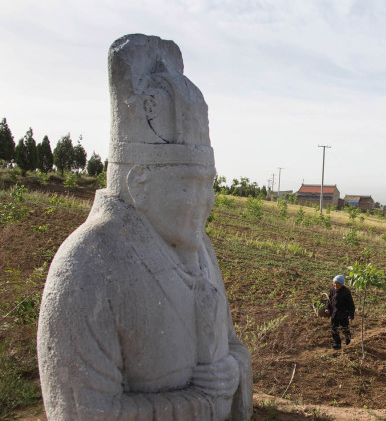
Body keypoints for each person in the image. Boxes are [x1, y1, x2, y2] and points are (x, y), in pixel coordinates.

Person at [37, 34, 252, 420]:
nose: (205, 204)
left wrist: (232, 373)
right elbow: (83, 412)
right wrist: (200, 404)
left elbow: (232, 346)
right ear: (140, 184)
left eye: (210, 185)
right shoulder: (86, 267)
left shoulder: (202, 250)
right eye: (188, 185)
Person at [324, 274, 355, 350]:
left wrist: (350, 316)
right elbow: (329, 299)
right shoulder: (332, 289)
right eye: (334, 283)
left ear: (341, 284)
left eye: (338, 284)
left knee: (344, 327)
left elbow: (351, 305)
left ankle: (347, 337)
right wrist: (327, 308)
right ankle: (337, 343)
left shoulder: (346, 292)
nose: (335, 285)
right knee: (334, 328)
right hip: (334, 313)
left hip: (343, 313)